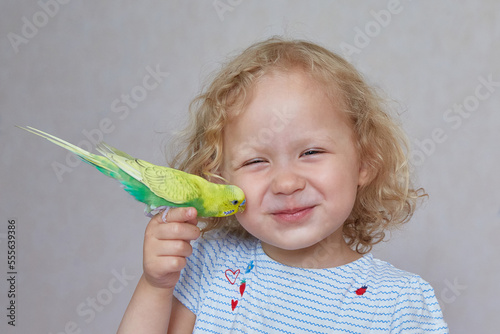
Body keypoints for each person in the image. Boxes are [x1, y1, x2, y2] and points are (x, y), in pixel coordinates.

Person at [117, 37, 448, 333]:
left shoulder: (400, 303)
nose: (286, 183)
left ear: (365, 162)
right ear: (220, 178)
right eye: (256, 161)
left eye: (311, 152)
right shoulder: (208, 264)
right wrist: (155, 286)